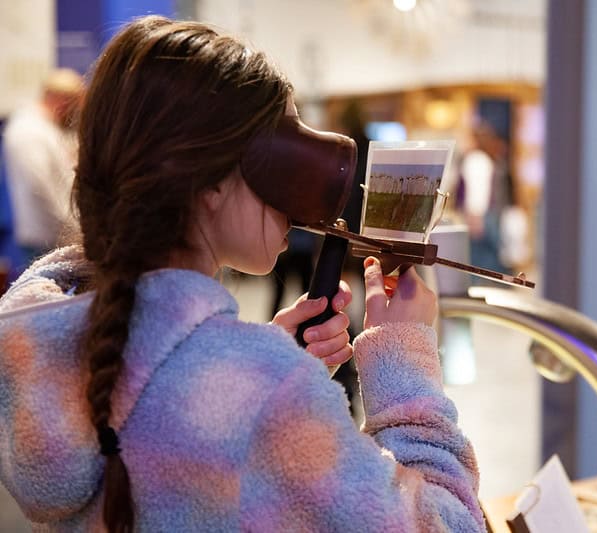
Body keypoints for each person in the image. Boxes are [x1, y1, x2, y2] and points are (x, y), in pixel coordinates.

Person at [0, 16, 483, 532]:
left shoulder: (41, 342)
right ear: (209, 179)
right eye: (283, 144)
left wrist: (256, 360)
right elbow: (448, 525)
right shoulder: (261, 394)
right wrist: (402, 360)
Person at [2, 68, 83, 265]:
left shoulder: (46, 128)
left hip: (55, 234)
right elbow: (39, 185)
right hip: (44, 237)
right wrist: (71, 227)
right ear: (64, 101)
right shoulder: (28, 130)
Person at [459, 122, 512, 274]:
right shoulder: (486, 159)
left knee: (480, 259)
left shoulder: (476, 159)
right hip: (489, 214)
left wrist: (475, 215)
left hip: (480, 215)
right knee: (489, 256)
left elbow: (477, 190)